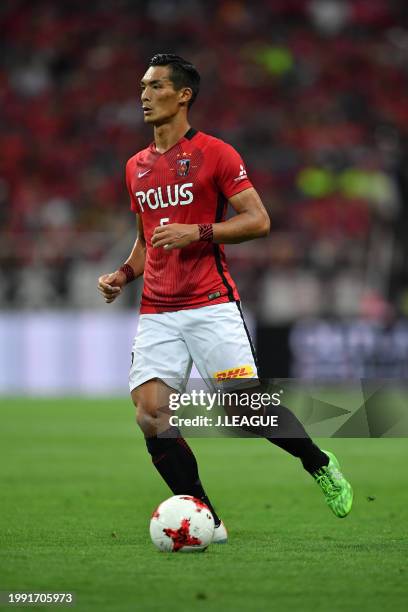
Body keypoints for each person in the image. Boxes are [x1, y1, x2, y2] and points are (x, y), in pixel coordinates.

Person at [98, 53, 353, 544]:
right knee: (151, 416)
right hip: (157, 311)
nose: (144, 95)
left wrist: (199, 231)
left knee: (245, 410)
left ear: (183, 94)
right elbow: (148, 239)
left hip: (211, 303)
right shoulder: (136, 166)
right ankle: (206, 518)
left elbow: (258, 220)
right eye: (142, 87)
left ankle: (319, 463)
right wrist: (122, 275)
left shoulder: (216, 153)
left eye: (155, 87)